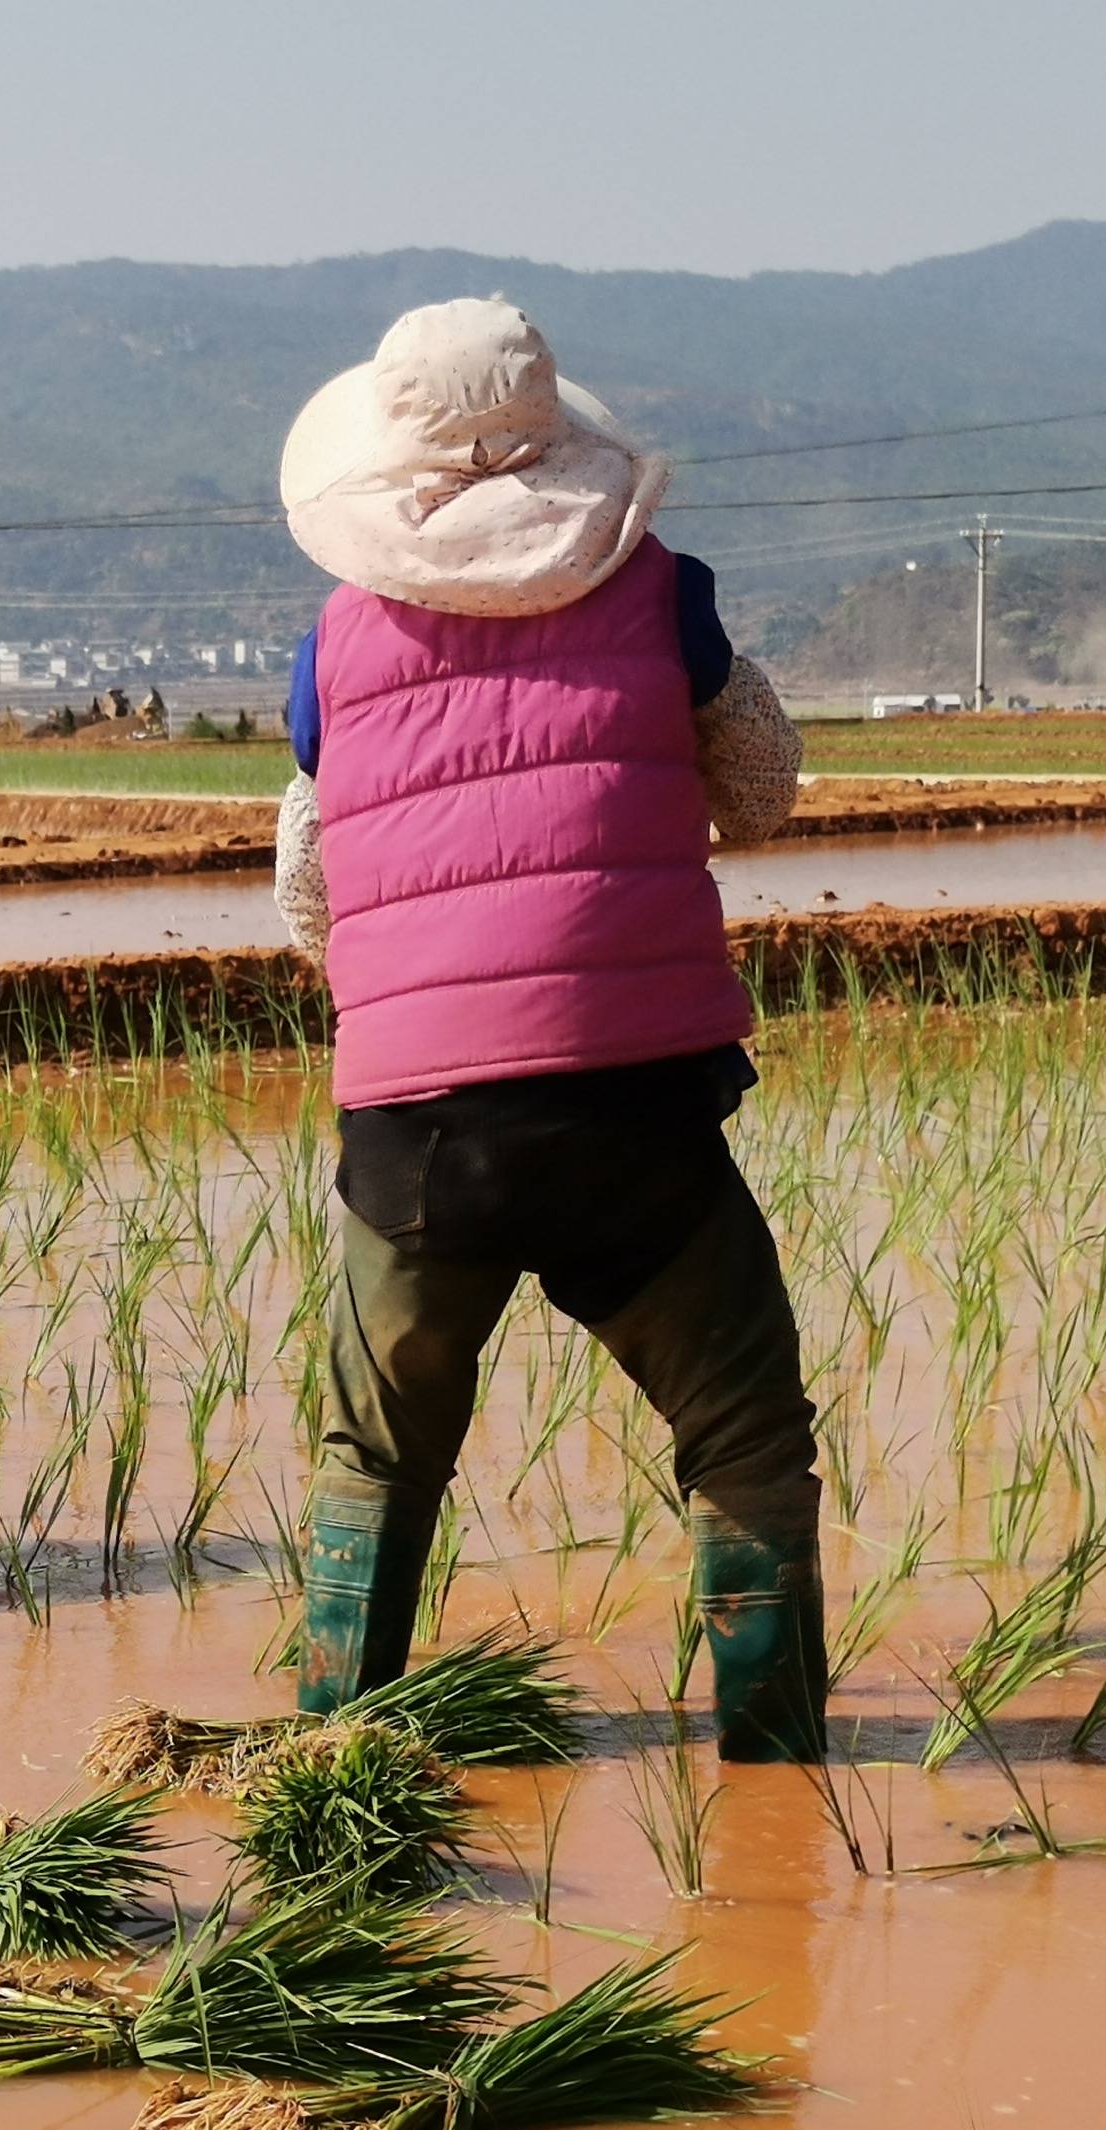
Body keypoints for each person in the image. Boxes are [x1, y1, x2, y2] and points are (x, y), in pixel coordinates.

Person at [271, 295, 823, 1758]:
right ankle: (772, 1772)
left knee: (376, 1453)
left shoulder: (334, 649)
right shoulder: (664, 596)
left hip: (419, 1136)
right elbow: (764, 789)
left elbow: (310, 899)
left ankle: (332, 1761)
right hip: (630, 1117)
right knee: (746, 1439)